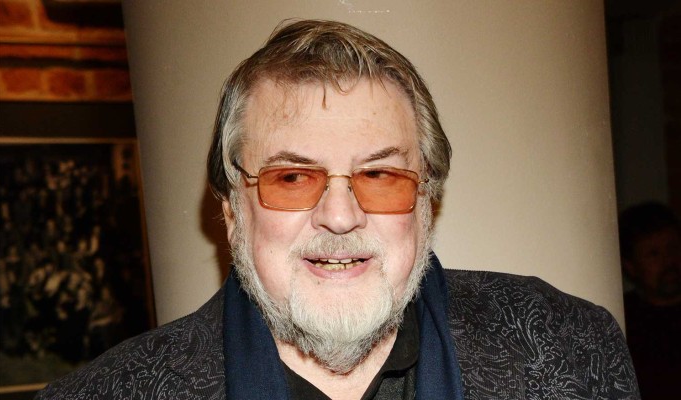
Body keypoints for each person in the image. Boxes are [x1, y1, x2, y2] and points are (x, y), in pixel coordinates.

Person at [37, 20, 640, 399]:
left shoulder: (568, 348)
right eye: (293, 177)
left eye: (379, 175)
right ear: (231, 210)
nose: (341, 215)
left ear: (426, 201)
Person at [619, 202, 681, 399]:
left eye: (673, 248)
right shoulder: (621, 319)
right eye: (653, 254)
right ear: (630, 266)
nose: (668, 261)